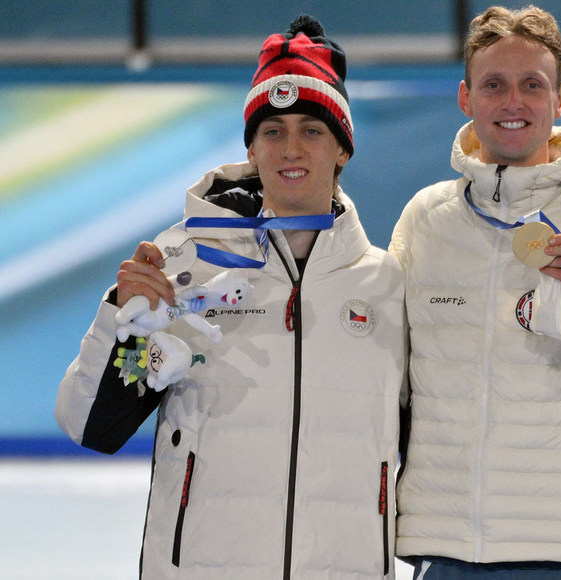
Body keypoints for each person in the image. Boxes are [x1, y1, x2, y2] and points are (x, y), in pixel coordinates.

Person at [55, 15, 406, 579]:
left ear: (343, 149)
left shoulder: (389, 286)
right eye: (273, 131)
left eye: (312, 130)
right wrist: (123, 317)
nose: (291, 148)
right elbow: (89, 426)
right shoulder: (186, 267)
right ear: (251, 148)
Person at [389, 5, 561, 579]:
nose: (513, 102)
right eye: (494, 84)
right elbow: (390, 385)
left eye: (532, 85)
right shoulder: (426, 218)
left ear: (560, 99)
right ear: (465, 97)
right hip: (446, 544)